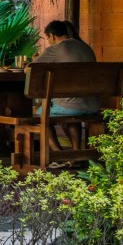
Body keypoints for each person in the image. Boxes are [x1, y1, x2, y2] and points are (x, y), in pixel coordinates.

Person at [31, 20, 98, 161]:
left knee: (40, 114)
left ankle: (60, 155)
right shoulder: (86, 48)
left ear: (52, 35)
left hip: (70, 106)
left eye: (48, 39)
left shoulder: (56, 48)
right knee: (70, 113)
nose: (49, 42)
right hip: (92, 105)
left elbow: (31, 69)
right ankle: (76, 154)